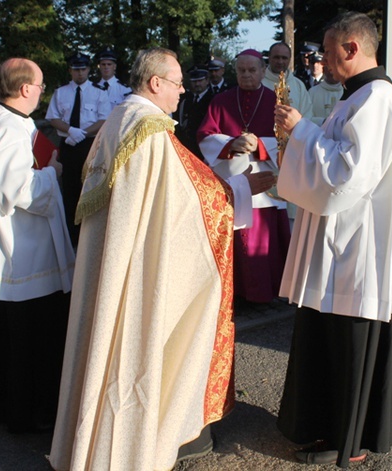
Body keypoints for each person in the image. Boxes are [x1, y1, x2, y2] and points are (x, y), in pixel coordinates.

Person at [48, 47, 276, 471]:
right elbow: (193, 202)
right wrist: (243, 189)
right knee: (141, 340)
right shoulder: (150, 131)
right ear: (156, 83)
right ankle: (144, 437)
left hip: (117, 260)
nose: (180, 93)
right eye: (174, 85)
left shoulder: (118, 120)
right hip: (139, 267)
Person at [273, 12, 392, 467]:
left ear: (351, 48)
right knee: (326, 342)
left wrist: (301, 130)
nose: (322, 63)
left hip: (356, 250)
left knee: (348, 346)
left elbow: (346, 174)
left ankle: (348, 440)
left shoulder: (377, 100)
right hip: (337, 247)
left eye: (329, 54)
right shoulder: (355, 97)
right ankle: (322, 428)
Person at [0, 58, 75, 433]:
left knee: (21, 334)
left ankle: (18, 405)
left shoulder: (13, 121)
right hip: (21, 254)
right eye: (41, 85)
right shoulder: (8, 127)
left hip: (23, 248)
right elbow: (11, 188)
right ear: (26, 88)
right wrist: (51, 173)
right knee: (28, 334)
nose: (42, 91)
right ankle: (28, 414)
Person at [197, 48, 291, 305]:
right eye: (241, 70)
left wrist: (260, 145)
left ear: (262, 71)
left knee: (262, 240)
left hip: (264, 186)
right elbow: (205, 135)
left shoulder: (276, 101)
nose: (246, 75)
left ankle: (265, 293)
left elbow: (288, 141)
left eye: (252, 70)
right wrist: (232, 144)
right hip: (232, 184)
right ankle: (234, 294)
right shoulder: (220, 101)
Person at [46, 52, 111, 245]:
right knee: (70, 189)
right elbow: (52, 117)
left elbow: (104, 118)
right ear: (70, 71)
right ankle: (71, 236)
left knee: (90, 187)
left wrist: (82, 133)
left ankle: (89, 235)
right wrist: (70, 130)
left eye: (83, 69)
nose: (80, 73)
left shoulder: (99, 92)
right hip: (68, 145)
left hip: (89, 145)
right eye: (76, 69)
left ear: (89, 70)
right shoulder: (61, 92)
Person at [262, 42, 314, 120]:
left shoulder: (298, 85)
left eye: (284, 58)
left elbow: (307, 115)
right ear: (269, 57)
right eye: (276, 57)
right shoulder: (259, 83)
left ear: (290, 59)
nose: (280, 61)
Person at [175, 66, 213, 160]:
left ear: (207, 81)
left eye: (200, 81)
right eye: (194, 81)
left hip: (205, 150)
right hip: (186, 149)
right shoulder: (185, 100)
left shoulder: (213, 100)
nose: (197, 84)